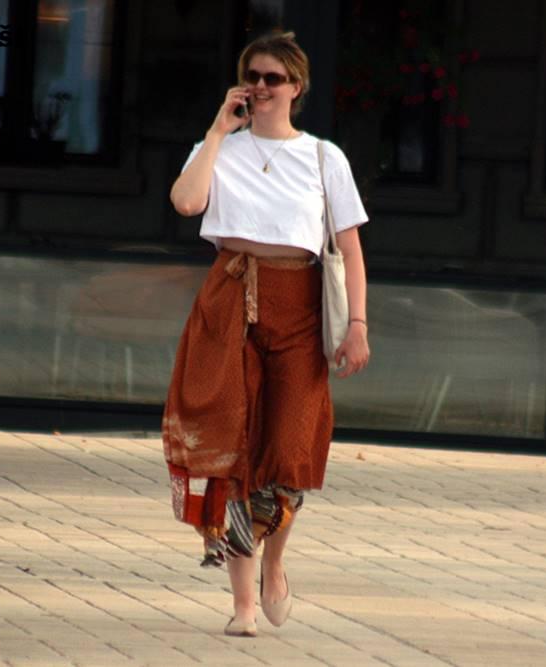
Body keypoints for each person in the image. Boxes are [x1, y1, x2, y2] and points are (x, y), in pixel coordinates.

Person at [162, 30, 370, 637]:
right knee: (235, 448)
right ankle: (244, 605)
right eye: (251, 76)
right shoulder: (219, 148)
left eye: (272, 78)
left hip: (299, 304)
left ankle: (273, 562)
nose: (259, 86)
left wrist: (357, 325)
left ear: (295, 87)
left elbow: (351, 249)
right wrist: (216, 132)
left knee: (290, 446)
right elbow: (185, 202)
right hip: (229, 300)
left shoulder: (325, 158)